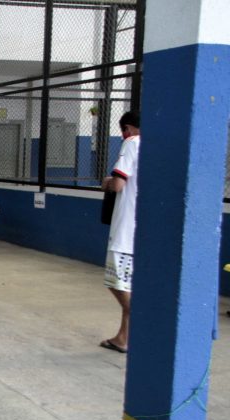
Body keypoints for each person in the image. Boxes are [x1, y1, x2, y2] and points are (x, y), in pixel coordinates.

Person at [99, 111, 140, 354]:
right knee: (128, 282)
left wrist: (107, 182)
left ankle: (138, 316)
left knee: (116, 283)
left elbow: (118, 184)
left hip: (125, 228)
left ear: (128, 128)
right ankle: (123, 337)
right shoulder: (155, 147)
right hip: (141, 227)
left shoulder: (132, 142)